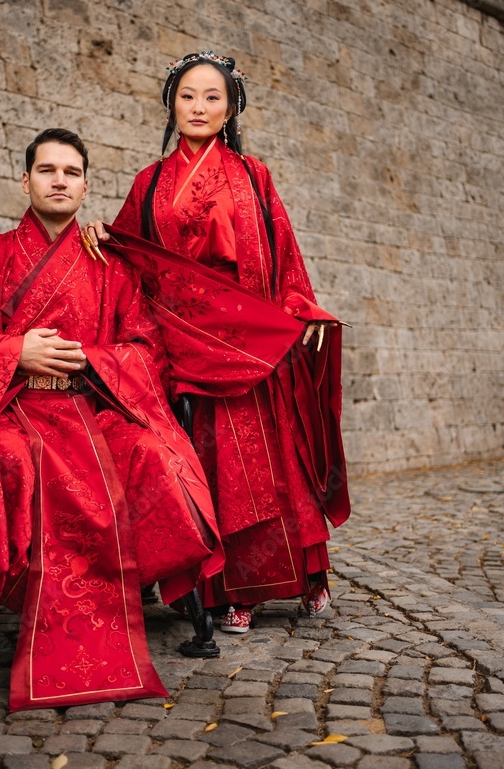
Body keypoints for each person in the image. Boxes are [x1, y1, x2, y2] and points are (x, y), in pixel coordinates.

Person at [0, 128, 226, 711]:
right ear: (26, 181)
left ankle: (131, 584)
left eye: (71, 173)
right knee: (9, 456)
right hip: (8, 410)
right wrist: (11, 353)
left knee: (152, 455)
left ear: (86, 187)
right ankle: (28, 592)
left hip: (91, 408)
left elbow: (145, 350)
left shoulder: (110, 269)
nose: (59, 181)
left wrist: (93, 362)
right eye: (47, 170)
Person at [83, 52, 350, 634]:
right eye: (187, 96)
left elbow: (283, 252)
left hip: (246, 333)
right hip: (181, 338)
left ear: (230, 109)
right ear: (171, 104)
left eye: (212, 97)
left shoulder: (253, 175)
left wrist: (300, 307)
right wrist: (103, 236)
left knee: (269, 462)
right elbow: (130, 252)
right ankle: (223, 588)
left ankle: (303, 575)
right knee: (210, 462)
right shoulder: (149, 182)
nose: (198, 107)